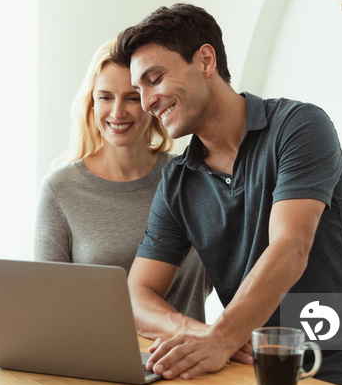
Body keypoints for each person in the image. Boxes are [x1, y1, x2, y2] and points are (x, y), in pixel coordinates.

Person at [110, 3, 342, 385]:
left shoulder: (298, 127)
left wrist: (221, 338)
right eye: (140, 89)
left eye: (155, 79)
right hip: (248, 375)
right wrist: (203, 333)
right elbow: (137, 294)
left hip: (334, 373)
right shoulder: (177, 182)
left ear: (205, 60)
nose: (148, 100)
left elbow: (290, 247)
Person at [34, 38, 213, 323]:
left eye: (131, 98)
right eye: (105, 97)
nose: (118, 112)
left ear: (151, 100)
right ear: (91, 103)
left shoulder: (192, 178)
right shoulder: (61, 189)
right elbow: (47, 304)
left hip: (190, 358)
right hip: (95, 361)